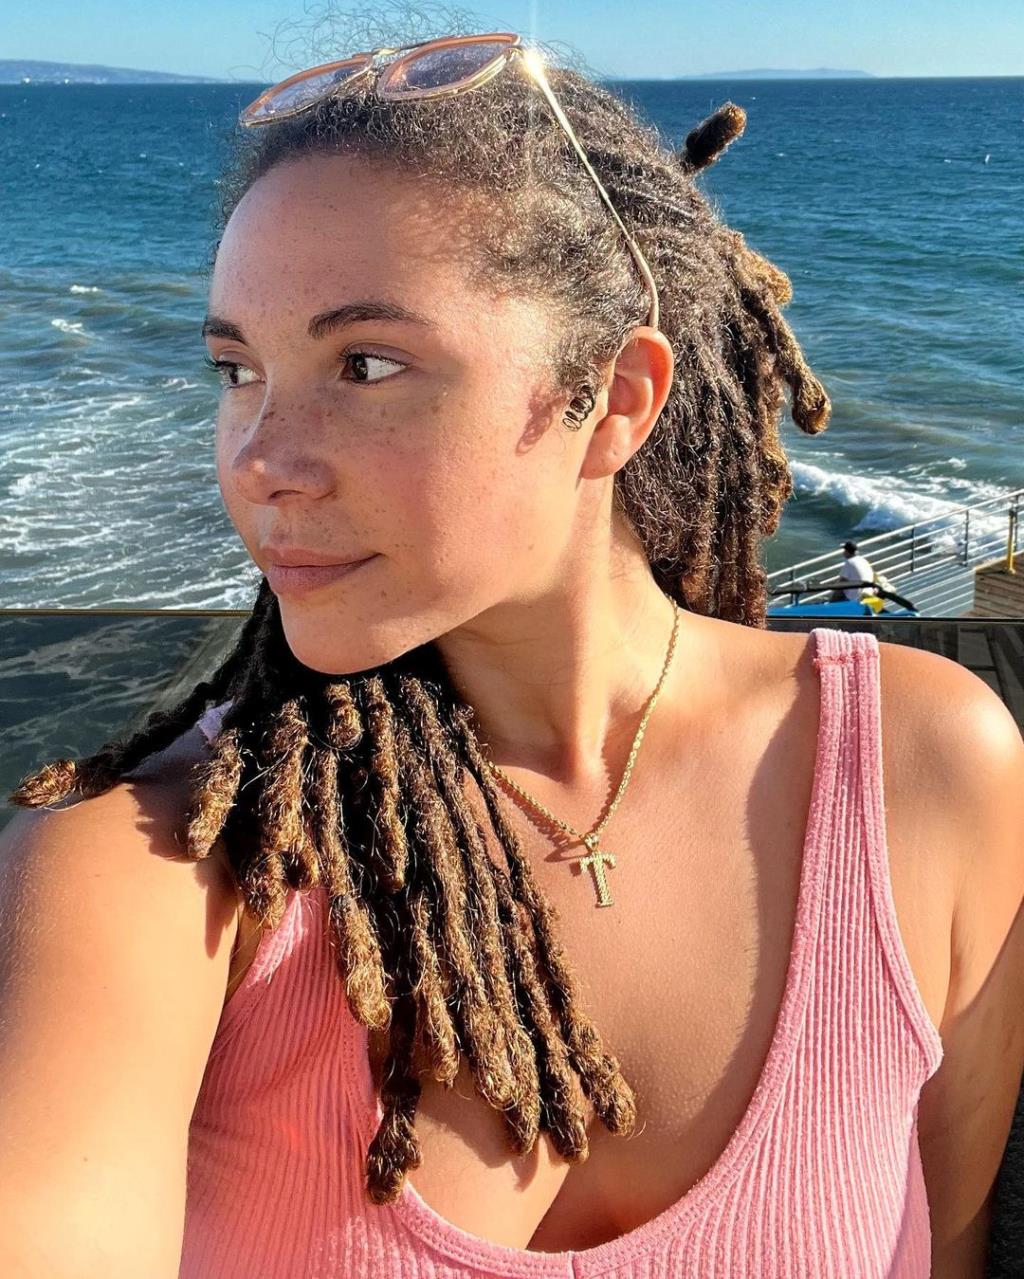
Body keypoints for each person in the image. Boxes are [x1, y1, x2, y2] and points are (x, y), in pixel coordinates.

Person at [3, 23, 1022, 1279]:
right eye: (236, 369)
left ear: (616, 399)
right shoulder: (158, 876)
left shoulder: (923, 771)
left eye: (365, 364)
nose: (260, 460)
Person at [829, 538, 876, 602]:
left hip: (854, 599)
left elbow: (841, 584)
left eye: (844, 550)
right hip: (867, 594)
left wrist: (831, 601)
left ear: (847, 552)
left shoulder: (849, 562)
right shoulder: (863, 560)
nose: (843, 552)